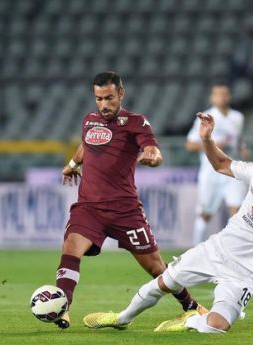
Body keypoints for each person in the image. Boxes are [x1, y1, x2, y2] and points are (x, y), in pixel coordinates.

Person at [83, 112, 253, 333]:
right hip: (217, 249)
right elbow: (221, 164)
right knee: (164, 282)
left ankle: (189, 320)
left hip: (244, 273)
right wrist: (207, 139)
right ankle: (122, 318)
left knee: (216, 327)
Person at [54, 72, 206, 329]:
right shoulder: (90, 121)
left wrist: (152, 158)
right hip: (89, 207)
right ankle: (62, 308)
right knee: (70, 248)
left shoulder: (136, 122)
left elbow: (152, 149)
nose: (104, 104)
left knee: (156, 267)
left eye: (109, 98)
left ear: (121, 94)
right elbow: (85, 145)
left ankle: (192, 307)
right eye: (99, 98)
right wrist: (71, 164)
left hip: (125, 209)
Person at [186, 82, 248, 246]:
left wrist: (242, 148)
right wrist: (211, 144)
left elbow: (238, 139)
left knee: (237, 213)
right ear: (212, 98)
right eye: (218, 94)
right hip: (211, 172)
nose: (222, 97)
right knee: (205, 214)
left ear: (230, 96)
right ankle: (196, 251)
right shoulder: (206, 117)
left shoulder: (238, 117)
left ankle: (231, 252)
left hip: (232, 171)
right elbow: (190, 144)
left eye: (225, 94)